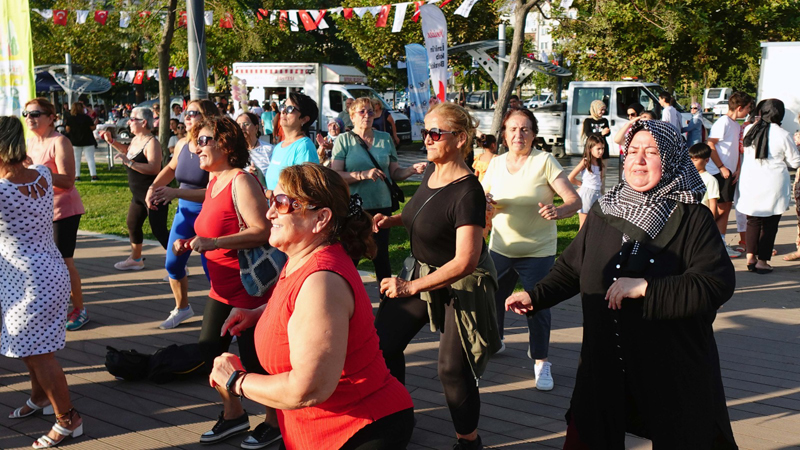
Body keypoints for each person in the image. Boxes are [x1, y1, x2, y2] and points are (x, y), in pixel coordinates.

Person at [505, 120, 738, 449]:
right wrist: (536, 295)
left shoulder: (692, 217)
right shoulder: (605, 208)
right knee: (591, 432)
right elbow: (573, 265)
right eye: (633, 151)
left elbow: (717, 283)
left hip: (669, 363)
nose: (639, 159)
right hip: (604, 357)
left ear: (671, 159)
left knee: (683, 433)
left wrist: (647, 288)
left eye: (652, 152)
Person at [211, 163, 416, 449]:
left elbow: (308, 389)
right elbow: (298, 307)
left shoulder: (322, 282)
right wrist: (261, 313)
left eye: (282, 203)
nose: (270, 212)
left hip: (358, 428)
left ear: (321, 218)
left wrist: (236, 381)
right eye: (272, 200)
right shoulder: (300, 256)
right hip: (311, 429)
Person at [373, 102, 502, 450]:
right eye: (425, 132)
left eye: (434, 133)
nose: (426, 140)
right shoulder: (431, 172)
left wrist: (409, 285)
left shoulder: (468, 191)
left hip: (460, 285)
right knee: (381, 344)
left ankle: (468, 441)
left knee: (451, 370)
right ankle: (396, 416)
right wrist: (392, 220)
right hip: (422, 272)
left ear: (460, 138)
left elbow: (465, 261)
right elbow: (424, 213)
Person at [173, 116, 281, 448]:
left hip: (249, 289)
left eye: (204, 141)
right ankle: (234, 415)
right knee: (210, 350)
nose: (197, 149)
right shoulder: (215, 182)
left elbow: (262, 231)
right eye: (196, 142)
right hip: (221, 289)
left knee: (256, 361)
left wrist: (215, 244)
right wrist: (192, 240)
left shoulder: (241, 181)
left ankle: (274, 422)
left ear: (226, 145)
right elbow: (215, 226)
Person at [482, 107, 581, 390]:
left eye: (524, 129)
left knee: (537, 305)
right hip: (500, 247)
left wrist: (558, 212)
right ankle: (496, 341)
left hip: (537, 251)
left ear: (534, 135)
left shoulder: (545, 161)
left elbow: (574, 200)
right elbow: (482, 198)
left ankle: (541, 362)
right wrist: (485, 205)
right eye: (512, 129)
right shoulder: (497, 163)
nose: (518, 134)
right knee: (492, 297)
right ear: (504, 134)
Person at [0, 116, 84, 448]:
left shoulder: (3, 191)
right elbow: (64, 180)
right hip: (49, 270)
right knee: (30, 347)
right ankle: (40, 397)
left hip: (27, 281)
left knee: (39, 354)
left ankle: (68, 419)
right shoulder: (43, 175)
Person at [331, 97, 425, 283]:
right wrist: (362, 175)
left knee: (381, 255)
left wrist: (411, 170)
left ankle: (386, 301)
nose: (367, 115)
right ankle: (348, 295)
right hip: (356, 208)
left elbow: (394, 173)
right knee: (354, 253)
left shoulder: (385, 138)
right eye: (362, 111)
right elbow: (336, 175)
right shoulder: (344, 140)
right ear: (352, 116)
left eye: (371, 111)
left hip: (382, 204)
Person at [145, 99, 218, 329]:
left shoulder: (213, 147)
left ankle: (224, 316)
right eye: (185, 112)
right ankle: (182, 308)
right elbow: (170, 168)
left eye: (193, 113)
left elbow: (215, 191)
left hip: (209, 213)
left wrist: (175, 192)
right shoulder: (182, 144)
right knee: (173, 264)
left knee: (213, 271)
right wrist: (153, 188)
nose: (186, 116)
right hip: (184, 212)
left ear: (206, 117)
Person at [24, 99, 89, 331]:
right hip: (38, 212)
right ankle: (54, 307)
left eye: (36, 114)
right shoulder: (30, 142)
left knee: (64, 262)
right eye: (26, 114)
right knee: (43, 263)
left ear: (52, 117)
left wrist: (36, 171)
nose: (30, 118)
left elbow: (67, 181)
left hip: (63, 210)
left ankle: (79, 309)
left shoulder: (60, 141)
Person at [98, 107, 169, 270]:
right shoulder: (137, 139)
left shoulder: (152, 142)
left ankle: (179, 264)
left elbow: (154, 168)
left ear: (143, 122)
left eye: (132, 119)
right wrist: (112, 142)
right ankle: (136, 259)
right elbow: (128, 152)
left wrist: (130, 163)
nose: (129, 122)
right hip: (138, 195)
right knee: (133, 223)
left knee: (159, 230)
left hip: (153, 194)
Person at [735, 99, 800, 274]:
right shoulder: (783, 134)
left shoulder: (750, 129)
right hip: (773, 184)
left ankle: (750, 257)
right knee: (770, 224)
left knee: (753, 221)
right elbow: (795, 161)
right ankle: (762, 261)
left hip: (751, 181)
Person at [705, 91, 752, 257]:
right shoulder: (723, 123)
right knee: (719, 209)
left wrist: (737, 168)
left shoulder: (736, 125)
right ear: (739, 108)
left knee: (725, 208)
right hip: (717, 172)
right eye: (747, 108)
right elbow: (710, 145)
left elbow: (734, 150)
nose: (748, 112)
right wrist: (721, 166)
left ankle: (721, 242)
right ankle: (711, 240)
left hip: (730, 173)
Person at [264, 93, 319, 193]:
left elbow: (303, 190)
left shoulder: (304, 147)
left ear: (304, 119)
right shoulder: (279, 146)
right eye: (283, 106)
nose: (283, 111)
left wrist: (267, 193)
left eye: (290, 109)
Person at [569, 134, 605, 229]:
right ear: (590, 149)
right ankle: (580, 243)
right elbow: (570, 177)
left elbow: (600, 180)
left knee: (596, 222)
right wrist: (582, 185)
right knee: (584, 224)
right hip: (587, 194)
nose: (601, 151)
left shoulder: (600, 162)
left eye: (602, 148)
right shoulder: (585, 162)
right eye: (598, 149)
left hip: (597, 194)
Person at [237, 112, 273, 188]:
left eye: (245, 124)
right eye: (238, 125)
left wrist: (260, 177)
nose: (241, 128)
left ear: (256, 128)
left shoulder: (269, 149)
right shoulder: (233, 151)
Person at [65, 101, 98, 182]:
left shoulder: (70, 118)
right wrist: (95, 124)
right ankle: (93, 176)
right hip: (88, 140)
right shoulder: (86, 117)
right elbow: (92, 128)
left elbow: (67, 130)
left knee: (76, 160)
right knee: (90, 159)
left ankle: (77, 176)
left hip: (75, 141)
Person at [689, 142, 720, 216]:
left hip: (701, 217)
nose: (692, 162)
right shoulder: (686, 176)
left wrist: (711, 222)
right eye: (690, 159)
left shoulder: (711, 180)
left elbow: (712, 204)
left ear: (706, 160)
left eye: (695, 160)